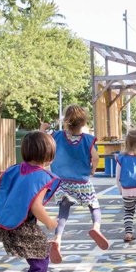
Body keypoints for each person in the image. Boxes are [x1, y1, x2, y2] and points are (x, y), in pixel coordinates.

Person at [0, 132, 61, 272]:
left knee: (41, 253)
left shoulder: (17, 168)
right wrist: (50, 222)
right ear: (49, 154)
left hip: (9, 224)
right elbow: (36, 206)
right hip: (23, 226)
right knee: (38, 264)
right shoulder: (42, 176)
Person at [47, 105, 109, 260]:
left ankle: (57, 240)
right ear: (83, 123)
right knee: (94, 206)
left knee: (63, 212)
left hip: (63, 182)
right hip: (82, 182)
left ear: (66, 121)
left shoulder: (57, 136)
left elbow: (43, 145)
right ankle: (96, 228)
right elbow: (95, 158)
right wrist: (93, 170)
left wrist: (42, 129)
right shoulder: (87, 140)